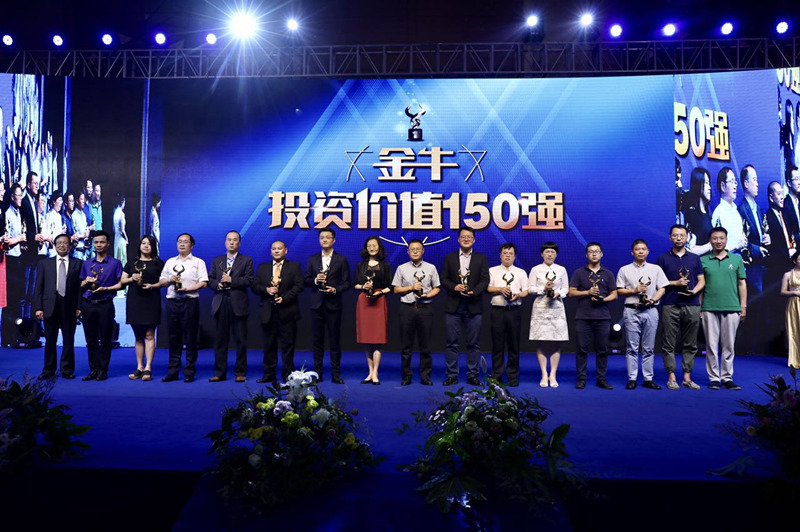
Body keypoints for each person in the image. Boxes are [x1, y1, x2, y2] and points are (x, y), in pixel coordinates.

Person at [656, 225, 706, 390]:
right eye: (675, 235)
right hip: (670, 304)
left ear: (687, 237)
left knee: (690, 343)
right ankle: (671, 376)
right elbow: (658, 282)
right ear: (670, 237)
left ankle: (687, 377)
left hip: (692, 304)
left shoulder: (695, 258)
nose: (678, 238)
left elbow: (702, 281)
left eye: (682, 235)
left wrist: (694, 291)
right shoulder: (663, 258)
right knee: (668, 342)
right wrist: (675, 283)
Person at [616, 239, 669, 390]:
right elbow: (619, 290)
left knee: (649, 347)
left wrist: (653, 300)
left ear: (648, 252)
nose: (640, 251)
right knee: (631, 347)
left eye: (643, 249)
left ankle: (648, 378)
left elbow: (663, 288)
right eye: (637, 249)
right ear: (632, 252)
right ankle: (632, 378)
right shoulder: (624, 269)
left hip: (650, 310)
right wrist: (634, 290)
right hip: (631, 310)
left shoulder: (656, 269)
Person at [441, 227, 490, 386]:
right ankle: (451, 375)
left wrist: (474, 291)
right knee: (451, 343)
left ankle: (472, 375)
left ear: (474, 240)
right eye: (463, 237)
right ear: (458, 239)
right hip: (453, 306)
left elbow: (485, 280)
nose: (466, 239)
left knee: (473, 343)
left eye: (469, 237)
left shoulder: (481, 258)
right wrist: (454, 287)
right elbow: (443, 279)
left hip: (474, 305)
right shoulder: (449, 257)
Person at [156, 233, 208, 383]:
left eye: (185, 242)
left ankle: (189, 372)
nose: (182, 244)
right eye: (179, 241)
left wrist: (188, 289)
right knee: (173, 338)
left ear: (192, 245)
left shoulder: (198, 262)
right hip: (172, 303)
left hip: (190, 302)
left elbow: (204, 282)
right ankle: (172, 372)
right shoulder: (170, 262)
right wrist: (169, 280)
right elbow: (161, 281)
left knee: (190, 338)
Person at [700, 227, 747, 390]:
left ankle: (727, 377)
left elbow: (742, 283)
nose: (718, 241)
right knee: (711, 345)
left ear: (726, 240)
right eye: (715, 238)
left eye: (721, 238)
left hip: (732, 307)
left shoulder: (736, 259)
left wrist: (743, 306)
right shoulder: (703, 260)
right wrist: (700, 307)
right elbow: (701, 286)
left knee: (729, 345)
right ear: (710, 240)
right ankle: (714, 378)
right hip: (709, 307)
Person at [254, 240, 304, 387]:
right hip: (268, 312)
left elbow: (299, 286)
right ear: (271, 251)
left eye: (279, 248)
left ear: (285, 250)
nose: (276, 251)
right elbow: (255, 287)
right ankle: (269, 374)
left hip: (287, 312)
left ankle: (287, 374)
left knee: (288, 346)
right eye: (273, 249)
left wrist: (285, 298)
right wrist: (267, 290)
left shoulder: (294, 266)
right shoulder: (263, 267)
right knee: (269, 345)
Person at [568, 242, 617, 390]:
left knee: (602, 349)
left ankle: (601, 379)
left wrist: (603, 300)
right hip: (583, 317)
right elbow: (571, 292)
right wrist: (587, 292)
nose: (594, 254)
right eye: (591, 251)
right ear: (586, 255)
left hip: (603, 317)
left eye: (597, 251)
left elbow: (614, 294)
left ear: (602, 254)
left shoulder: (608, 273)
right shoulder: (579, 272)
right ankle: (581, 379)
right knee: (581, 349)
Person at [391, 239, 440, 385]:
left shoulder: (431, 268)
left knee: (425, 346)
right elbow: (396, 289)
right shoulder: (401, 268)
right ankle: (406, 376)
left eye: (418, 249)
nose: (415, 251)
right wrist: (411, 288)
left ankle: (425, 376)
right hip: (407, 309)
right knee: (406, 346)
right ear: (408, 251)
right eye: (412, 249)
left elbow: (437, 288)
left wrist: (428, 295)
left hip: (425, 309)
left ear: (423, 251)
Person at [304, 228, 350, 384]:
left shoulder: (341, 259)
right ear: (319, 240)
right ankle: (317, 373)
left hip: (333, 304)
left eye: (328, 237)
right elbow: (306, 280)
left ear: (333, 240)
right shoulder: (313, 259)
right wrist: (316, 280)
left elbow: (347, 283)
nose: (324, 239)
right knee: (317, 340)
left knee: (334, 340)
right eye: (322, 237)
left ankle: (335, 373)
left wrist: (335, 290)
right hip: (316, 305)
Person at [33, 234, 82, 379]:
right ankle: (48, 370)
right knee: (50, 340)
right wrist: (38, 307)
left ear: (70, 246)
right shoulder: (44, 264)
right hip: (49, 306)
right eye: (59, 243)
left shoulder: (78, 264)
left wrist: (79, 306)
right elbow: (39, 287)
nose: (62, 245)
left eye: (65, 243)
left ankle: (67, 370)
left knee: (68, 340)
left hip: (69, 306)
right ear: (54, 246)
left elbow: (80, 289)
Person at [208, 231, 254, 383]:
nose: (231, 243)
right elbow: (210, 279)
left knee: (241, 341)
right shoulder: (217, 260)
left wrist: (231, 280)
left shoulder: (246, 260)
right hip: (221, 302)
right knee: (221, 340)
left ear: (239, 243)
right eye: (229, 240)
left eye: (234, 240)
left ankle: (240, 372)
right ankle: (219, 373)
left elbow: (249, 280)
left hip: (238, 304)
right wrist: (218, 284)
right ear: (225, 242)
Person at [79, 230, 123, 381]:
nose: (99, 245)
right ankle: (93, 369)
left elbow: (121, 284)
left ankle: (103, 370)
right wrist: (86, 281)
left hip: (105, 304)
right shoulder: (87, 264)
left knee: (105, 339)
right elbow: (80, 285)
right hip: (87, 305)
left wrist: (106, 289)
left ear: (108, 244)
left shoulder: (115, 263)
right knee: (90, 340)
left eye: (102, 242)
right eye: (96, 242)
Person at [118, 236, 164, 382]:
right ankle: (139, 367)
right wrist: (132, 279)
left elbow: (164, 281)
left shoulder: (158, 263)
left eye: (149, 244)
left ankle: (148, 367)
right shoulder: (132, 262)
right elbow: (122, 280)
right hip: (135, 301)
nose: (146, 246)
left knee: (149, 335)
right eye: (143, 243)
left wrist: (153, 286)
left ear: (153, 247)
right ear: (139, 245)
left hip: (151, 300)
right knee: (138, 336)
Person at [737, 165, 770, 354]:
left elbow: (761, 233)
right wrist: (757, 249)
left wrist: (768, 239)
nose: (757, 184)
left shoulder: (758, 209)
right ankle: (747, 348)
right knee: (752, 307)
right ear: (745, 183)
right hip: (751, 268)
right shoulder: (741, 210)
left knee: (764, 308)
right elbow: (741, 241)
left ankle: (758, 347)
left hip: (763, 266)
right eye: (754, 180)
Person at [487, 242, 529, 386]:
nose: (508, 256)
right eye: (505, 253)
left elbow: (526, 291)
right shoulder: (492, 270)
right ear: (500, 255)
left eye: (511, 254)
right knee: (497, 345)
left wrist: (518, 295)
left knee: (514, 345)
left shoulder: (521, 272)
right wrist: (500, 289)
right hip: (497, 311)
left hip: (514, 311)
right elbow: (488, 288)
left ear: (514, 256)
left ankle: (512, 376)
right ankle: (496, 376)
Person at [527, 241, 568, 388]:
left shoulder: (561, 269)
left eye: (552, 252)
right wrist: (543, 288)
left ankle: (553, 374)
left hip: (556, 307)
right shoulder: (535, 269)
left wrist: (558, 293)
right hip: (541, 307)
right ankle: (544, 374)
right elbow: (530, 289)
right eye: (547, 252)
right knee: (541, 341)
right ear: (542, 254)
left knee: (556, 341)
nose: (549, 254)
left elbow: (566, 289)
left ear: (556, 255)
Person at [353, 236, 392, 385]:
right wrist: (364, 287)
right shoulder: (361, 265)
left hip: (379, 300)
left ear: (379, 247)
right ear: (366, 248)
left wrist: (379, 292)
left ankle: (376, 372)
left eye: (374, 245)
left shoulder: (385, 265)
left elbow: (391, 286)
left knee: (378, 338)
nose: (372, 248)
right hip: (364, 301)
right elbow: (356, 284)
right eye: (369, 245)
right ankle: (370, 371)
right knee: (367, 339)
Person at [3, 184, 27, 346]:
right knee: (11, 300)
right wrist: (19, 239)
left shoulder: (18, 213)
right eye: (18, 195)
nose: (20, 198)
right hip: (10, 260)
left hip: (18, 258)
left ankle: (15, 335)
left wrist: (21, 243)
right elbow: (6, 241)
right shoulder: (8, 214)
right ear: (12, 197)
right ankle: (8, 337)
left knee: (18, 298)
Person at [710, 167, 747, 253]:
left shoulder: (735, 210)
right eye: (731, 182)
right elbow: (716, 246)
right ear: (723, 186)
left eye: (735, 182)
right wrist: (736, 246)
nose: (735, 186)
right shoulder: (718, 213)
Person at [683, 167, 713, 255]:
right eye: (706, 183)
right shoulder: (692, 214)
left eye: (709, 183)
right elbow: (689, 250)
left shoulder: (707, 213)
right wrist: (711, 245)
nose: (709, 188)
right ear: (698, 185)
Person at [781, 250, 800, 369]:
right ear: (794, 261)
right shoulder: (788, 275)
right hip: (794, 304)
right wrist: (795, 292)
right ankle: (795, 360)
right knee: (794, 331)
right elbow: (782, 292)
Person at [782, 165, 800, 242]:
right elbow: (788, 232)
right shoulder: (785, 204)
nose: (799, 182)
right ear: (789, 183)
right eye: (796, 179)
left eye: (799, 178)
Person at [112, 194, 128, 266]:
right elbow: (122, 230)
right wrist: (126, 239)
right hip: (121, 240)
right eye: (124, 203)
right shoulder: (121, 214)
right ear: (122, 202)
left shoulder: (115, 213)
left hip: (116, 239)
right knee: (122, 261)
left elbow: (113, 228)